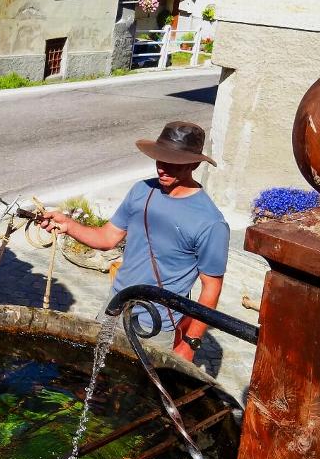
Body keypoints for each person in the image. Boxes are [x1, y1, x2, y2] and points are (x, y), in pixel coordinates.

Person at [38, 121, 229, 363]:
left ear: (193, 163)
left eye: (173, 162)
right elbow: (107, 237)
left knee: (140, 394)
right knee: (94, 376)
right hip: (115, 307)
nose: (163, 168)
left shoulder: (210, 222)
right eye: (160, 159)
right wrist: (68, 225)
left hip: (157, 324)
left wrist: (191, 343)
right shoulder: (142, 191)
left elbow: (211, 288)